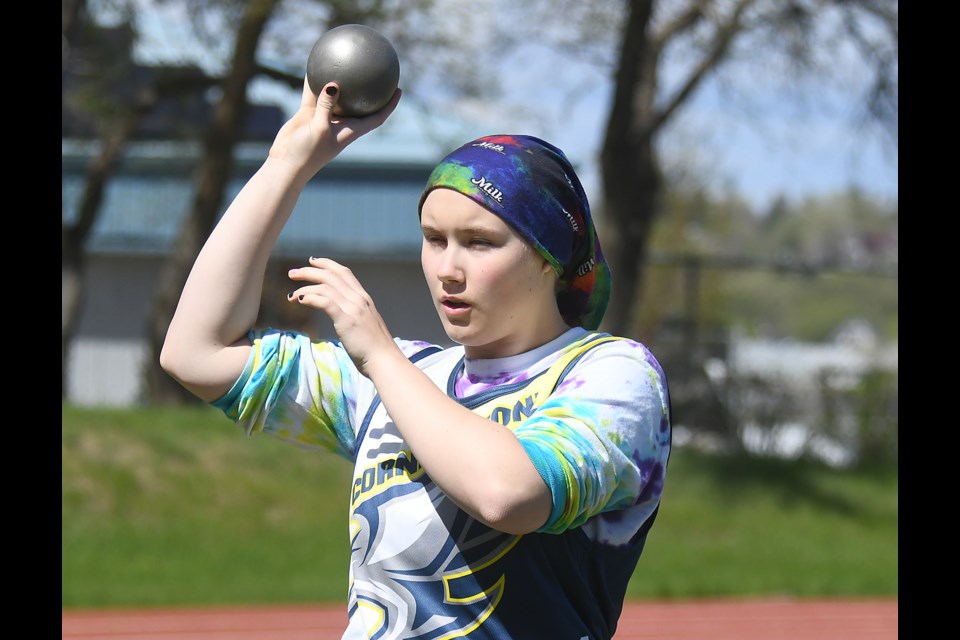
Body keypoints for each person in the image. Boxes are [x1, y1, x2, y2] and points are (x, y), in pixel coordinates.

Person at [160, 76, 672, 640]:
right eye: (434, 239)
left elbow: (508, 496)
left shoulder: (614, 373)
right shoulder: (407, 375)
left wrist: (378, 355)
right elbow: (195, 354)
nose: (448, 268)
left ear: (550, 257)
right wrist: (286, 166)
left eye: (480, 243)